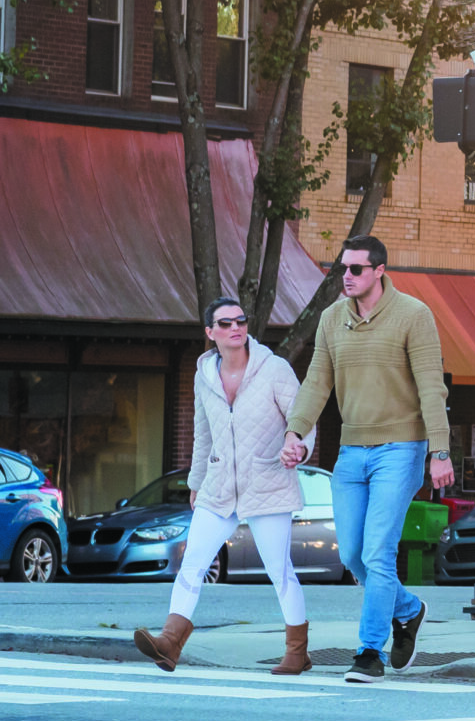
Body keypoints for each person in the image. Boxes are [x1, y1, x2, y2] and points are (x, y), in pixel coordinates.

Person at [282, 236, 453, 683]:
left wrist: (440, 451)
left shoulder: (414, 315)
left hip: (401, 448)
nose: (347, 277)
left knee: (379, 552)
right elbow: (317, 382)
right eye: (343, 269)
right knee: (355, 555)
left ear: (379, 271)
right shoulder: (331, 319)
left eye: (356, 269)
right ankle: (409, 609)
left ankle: (369, 652)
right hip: (351, 453)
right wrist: (295, 432)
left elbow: (432, 387)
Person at [134, 298, 313, 675]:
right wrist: (196, 482)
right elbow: (204, 433)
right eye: (226, 322)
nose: (236, 327)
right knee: (192, 564)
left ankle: (297, 652)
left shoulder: (274, 369)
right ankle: (169, 642)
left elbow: (303, 417)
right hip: (218, 486)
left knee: (279, 570)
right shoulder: (205, 375)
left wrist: (298, 446)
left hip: (267, 482)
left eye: (241, 320)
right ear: (210, 332)